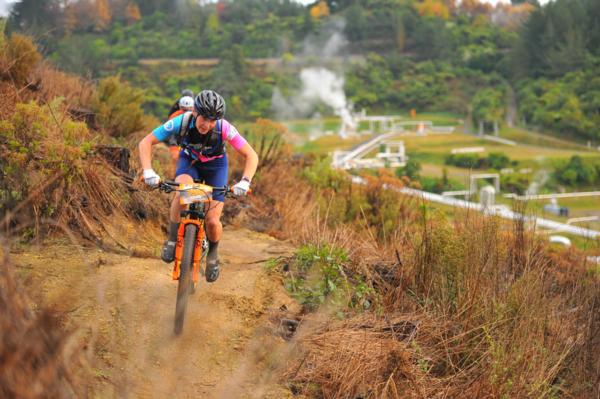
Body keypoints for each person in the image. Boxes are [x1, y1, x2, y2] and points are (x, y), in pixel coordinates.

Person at [139, 90, 259, 283]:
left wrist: (245, 181)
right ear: (195, 112)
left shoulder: (224, 128)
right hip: (190, 163)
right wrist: (148, 171)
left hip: (216, 167)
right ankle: (172, 239)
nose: (208, 125)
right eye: (204, 118)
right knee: (183, 193)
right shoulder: (182, 121)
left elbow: (251, 155)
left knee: (212, 221)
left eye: (213, 120)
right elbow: (146, 142)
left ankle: (212, 255)